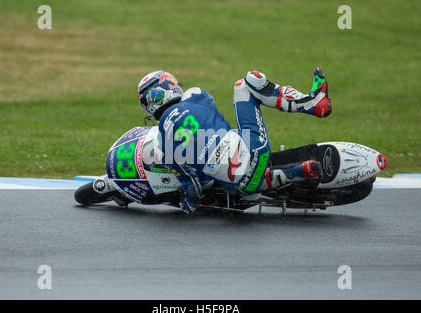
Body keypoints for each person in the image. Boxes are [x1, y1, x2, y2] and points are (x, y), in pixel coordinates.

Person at [137, 68, 331, 214]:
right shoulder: (194, 95)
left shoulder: (163, 141)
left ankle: (299, 171)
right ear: (170, 87)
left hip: (240, 186)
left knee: (239, 180)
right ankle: (313, 103)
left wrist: (188, 205)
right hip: (255, 149)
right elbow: (213, 112)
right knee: (246, 83)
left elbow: (192, 188)